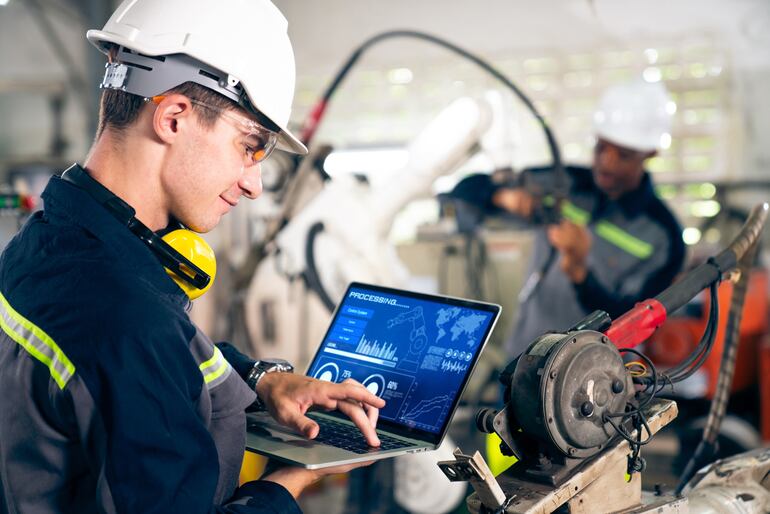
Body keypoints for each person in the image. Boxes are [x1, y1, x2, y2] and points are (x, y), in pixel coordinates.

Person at [0, 1, 385, 512]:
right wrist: (289, 481)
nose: (253, 183)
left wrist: (261, 380)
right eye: (249, 145)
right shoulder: (128, 318)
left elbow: (149, 370)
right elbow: (140, 355)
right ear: (174, 117)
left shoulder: (49, 241)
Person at [483, 80, 685, 357]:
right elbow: (466, 191)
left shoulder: (665, 237)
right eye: (601, 148)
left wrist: (579, 270)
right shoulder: (564, 182)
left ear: (650, 154)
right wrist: (505, 197)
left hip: (585, 378)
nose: (607, 163)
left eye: (623, 155)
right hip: (521, 357)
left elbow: (629, 324)